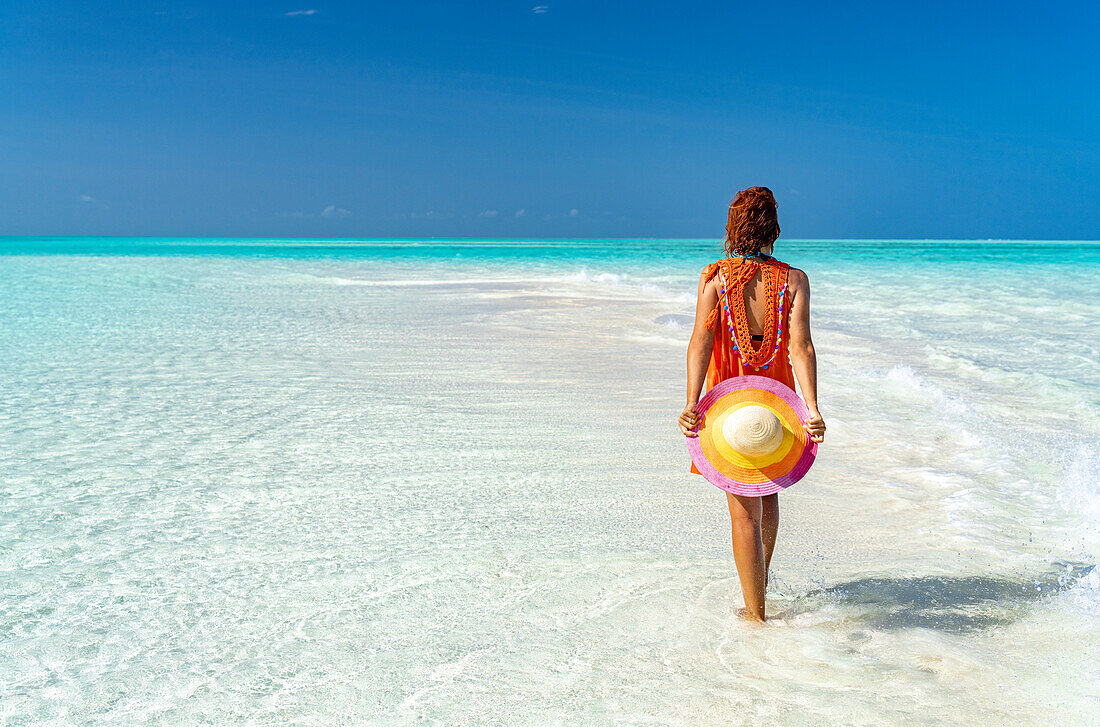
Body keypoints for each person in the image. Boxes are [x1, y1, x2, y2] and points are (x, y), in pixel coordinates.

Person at [678, 186, 826, 623]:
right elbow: (802, 348)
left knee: (744, 506)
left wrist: (691, 403)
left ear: (733, 227)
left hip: (730, 396)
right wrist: (812, 407)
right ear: (773, 228)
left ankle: (755, 614)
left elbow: (700, 342)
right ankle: (758, 587)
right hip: (775, 398)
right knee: (768, 488)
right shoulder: (794, 280)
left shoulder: (715, 278)